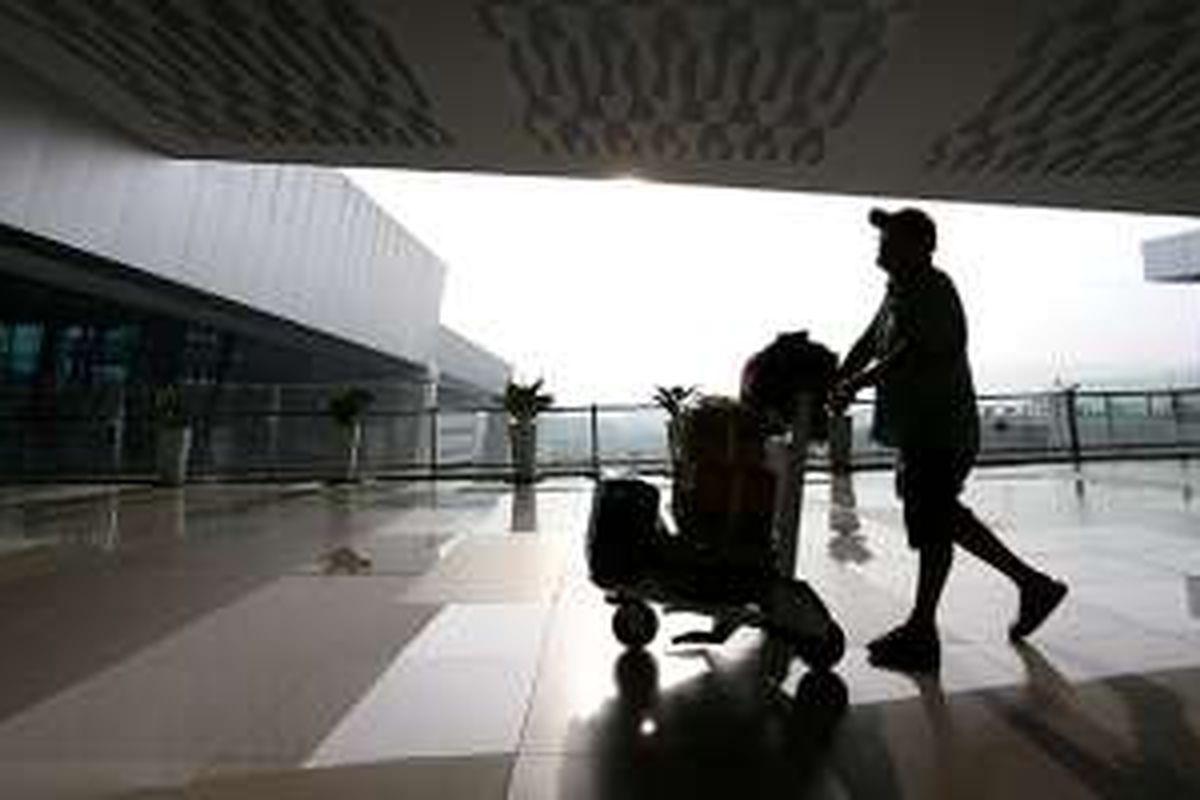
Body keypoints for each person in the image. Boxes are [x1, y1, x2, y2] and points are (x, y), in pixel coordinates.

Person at [829, 207, 1067, 673]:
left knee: (935, 517)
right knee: (937, 520)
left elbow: (915, 349)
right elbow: (869, 341)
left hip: (941, 428)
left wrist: (858, 382)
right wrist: (838, 375)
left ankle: (950, 618)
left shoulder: (933, 289)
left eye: (891, 239)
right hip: (920, 429)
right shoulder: (898, 291)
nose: (881, 247)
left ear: (921, 246)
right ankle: (946, 620)